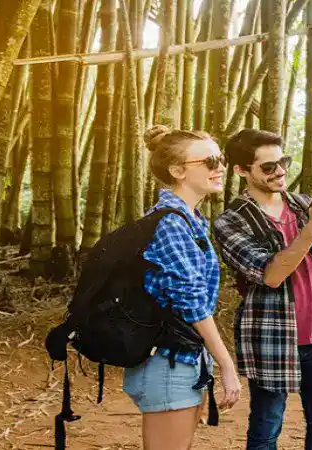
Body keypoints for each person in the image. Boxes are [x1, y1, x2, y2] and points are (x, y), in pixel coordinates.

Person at [212, 128, 312, 450]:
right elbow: (271, 275)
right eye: (268, 167)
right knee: (266, 426)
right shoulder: (230, 221)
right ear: (241, 171)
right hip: (271, 336)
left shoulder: (305, 205)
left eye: (283, 162)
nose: (280, 171)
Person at [122, 125, 242, 450]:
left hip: (183, 359)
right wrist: (226, 365)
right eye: (209, 161)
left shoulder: (191, 220)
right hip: (167, 363)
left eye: (221, 159)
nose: (219, 168)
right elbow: (193, 305)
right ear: (177, 171)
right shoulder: (170, 224)